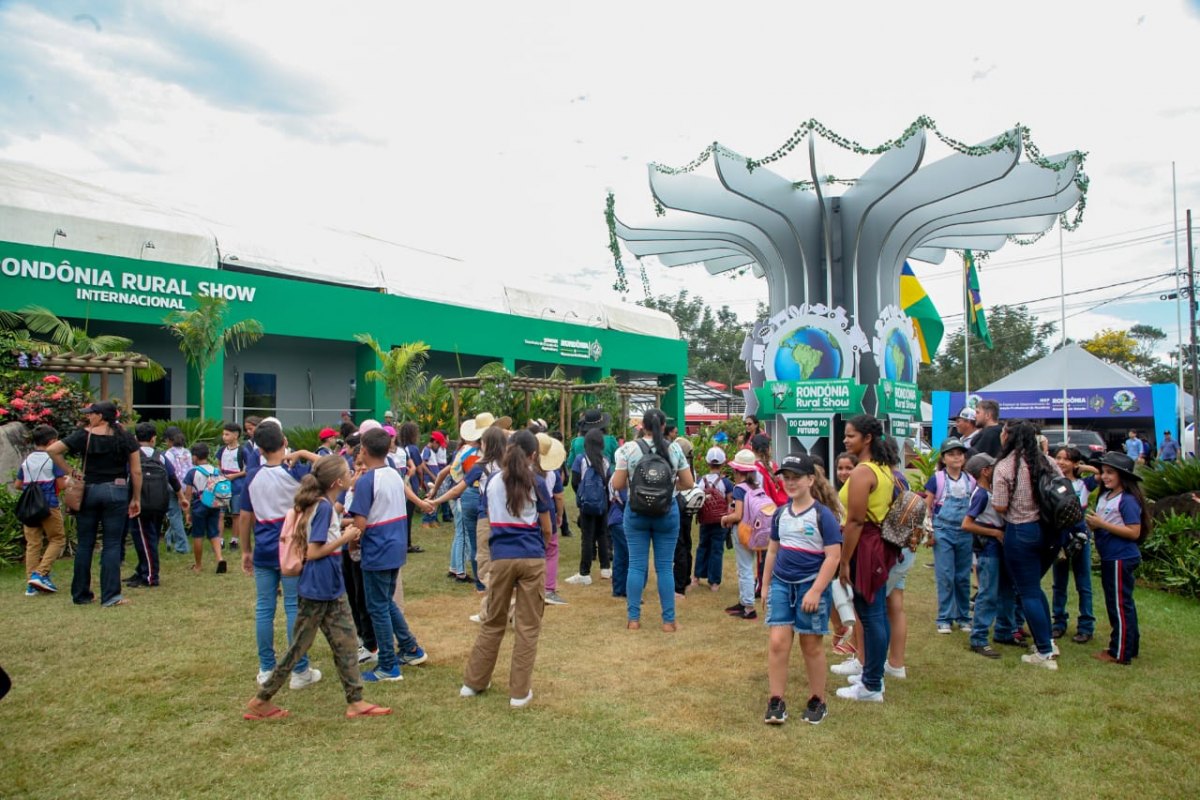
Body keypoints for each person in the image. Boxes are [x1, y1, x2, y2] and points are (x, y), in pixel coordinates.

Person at [244, 455, 393, 721]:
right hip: (318, 587)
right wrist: (346, 537)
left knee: (347, 642)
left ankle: (356, 701)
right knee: (299, 647)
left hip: (330, 586)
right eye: (347, 472)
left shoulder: (323, 504)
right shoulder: (323, 507)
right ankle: (261, 700)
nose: (351, 474)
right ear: (337, 482)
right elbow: (313, 552)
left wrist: (344, 528)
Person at [461, 430, 554, 708]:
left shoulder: (492, 481)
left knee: (493, 620)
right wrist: (539, 548)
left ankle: (474, 683)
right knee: (527, 626)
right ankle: (519, 693)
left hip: (501, 557)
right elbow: (547, 528)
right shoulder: (537, 482)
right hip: (531, 557)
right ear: (533, 455)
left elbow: (490, 518)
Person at [237, 422, 322, 687]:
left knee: (265, 607)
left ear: (259, 449)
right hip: (293, 547)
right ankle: (300, 669)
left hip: (264, 548)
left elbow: (245, 517)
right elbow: (328, 465)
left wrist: (246, 550)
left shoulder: (252, 476)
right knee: (293, 607)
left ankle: (266, 668)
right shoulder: (296, 472)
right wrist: (303, 453)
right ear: (284, 442)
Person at [761, 454, 842, 725]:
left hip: (810, 585)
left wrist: (816, 590)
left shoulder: (823, 515)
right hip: (782, 584)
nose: (791, 482)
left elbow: (833, 557)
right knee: (777, 642)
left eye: (796, 477)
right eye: (786, 478)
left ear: (810, 480)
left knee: (811, 644)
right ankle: (776, 701)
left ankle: (818, 700)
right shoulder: (781, 513)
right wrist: (766, 585)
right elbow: (773, 551)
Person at [349, 427, 434, 682]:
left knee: (377, 607)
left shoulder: (366, 481)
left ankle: (387, 665)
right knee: (386, 602)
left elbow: (359, 524)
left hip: (377, 549)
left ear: (364, 450)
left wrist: (352, 546)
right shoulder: (395, 474)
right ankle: (410, 648)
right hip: (395, 545)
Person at [47, 401, 142, 608]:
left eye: (91, 414)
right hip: (116, 490)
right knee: (112, 544)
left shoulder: (84, 435)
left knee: (85, 543)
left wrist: (71, 471)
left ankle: (81, 594)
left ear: (101, 416)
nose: (88, 417)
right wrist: (136, 497)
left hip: (88, 491)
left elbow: (53, 450)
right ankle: (111, 596)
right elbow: (136, 471)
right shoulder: (125, 437)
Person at [833, 414, 899, 702]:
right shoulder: (884, 469)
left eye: (851, 436)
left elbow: (856, 521)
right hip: (877, 543)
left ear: (867, 438)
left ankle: (872, 684)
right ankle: (872, 675)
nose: (846, 440)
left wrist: (845, 561)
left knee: (871, 616)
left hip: (866, 544)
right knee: (876, 614)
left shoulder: (863, 472)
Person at [610, 408, 695, 632]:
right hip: (667, 512)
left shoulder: (628, 449)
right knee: (665, 568)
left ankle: (633, 619)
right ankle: (668, 621)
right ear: (664, 426)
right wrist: (669, 490)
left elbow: (617, 484)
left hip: (636, 513)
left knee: (636, 566)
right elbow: (688, 482)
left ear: (642, 426)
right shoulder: (674, 449)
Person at [991, 420, 1063, 671]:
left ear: (1008, 437)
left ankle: (1044, 651)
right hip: (1050, 531)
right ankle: (1048, 641)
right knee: (1035, 588)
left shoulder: (1006, 466)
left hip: (1021, 530)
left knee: (1028, 591)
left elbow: (1000, 505)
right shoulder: (1048, 462)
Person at [1085, 452, 1151, 665]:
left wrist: (1102, 524)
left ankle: (1119, 652)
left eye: (1110, 473)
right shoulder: (1106, 496)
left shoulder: (1127, 500)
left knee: (1119, 606)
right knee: (1121, 603)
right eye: (1103, 472)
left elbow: (1133, 532)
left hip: (1120, 557)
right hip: (1110, 557)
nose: (1104, 476)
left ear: (1123, 476)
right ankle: (1130, 646)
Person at [961, 453, 1015, 659]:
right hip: (988, 549)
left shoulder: (990, 491)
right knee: (988, 593)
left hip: (998, 548)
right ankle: (979, 638)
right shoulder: (981, 495)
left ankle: (1004, 631)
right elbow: (967, 524)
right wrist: (995, 532)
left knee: (1005, 591)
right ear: (985, 471)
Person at [925, 438, 976, 634]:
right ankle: (944, 618)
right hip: (943, 531)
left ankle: (963, 617)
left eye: (959, 454)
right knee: (945, 575)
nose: (956, 458)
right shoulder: (937, 479)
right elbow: (927, 508)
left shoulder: (970, 480)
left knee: (962, 577)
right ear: (943, 458)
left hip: (965, 532)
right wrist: (929, 532)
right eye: (951, 454)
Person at [125, 422, 184, 588]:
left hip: (140, 502)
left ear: (135, 438)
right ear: (153, 439)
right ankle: (142, 570)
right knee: (151, 538)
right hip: (159, 504)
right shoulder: (161, 456)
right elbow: (173, 478)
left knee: (144, 540)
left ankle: (150, 575)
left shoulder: (132, 455)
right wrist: (181, 497)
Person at [1051, 447, 1097, 644]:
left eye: (1067, 459)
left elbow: (1099, 474)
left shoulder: (1083, 484)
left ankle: (1086, 626)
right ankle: (1058, 622)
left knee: (1083, 583)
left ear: (1075, 463)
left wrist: (1083, 468)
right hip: (1059, 537)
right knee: (1059, 583)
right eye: (1058, 458)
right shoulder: (1053, 483)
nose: (1061, 462)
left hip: (1080, 538)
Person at [15, 424, 67, 596]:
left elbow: (18, 484)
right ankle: (40, 573)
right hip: (48, 504)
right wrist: (70, 481)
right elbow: (61, 484)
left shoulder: (27, 460)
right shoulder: (52, 459)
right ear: (52, 442)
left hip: (30, 506)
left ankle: (31, 583)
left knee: (33, 543)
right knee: (57, 539)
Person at [566, 427, 611, 587]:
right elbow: (609, 482)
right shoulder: (605, 461)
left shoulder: (581, 459)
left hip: (587, 504)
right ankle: (606, 568)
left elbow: (575, 481)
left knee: (587, 537)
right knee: (602, 534)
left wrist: (582, 496)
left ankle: (584, 573)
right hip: (602, 503)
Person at [722, 449, 762, 620]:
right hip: (756, 530)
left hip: (743, 531)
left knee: (744, 568)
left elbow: (738, 515)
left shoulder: (740, 489)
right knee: (748, 566)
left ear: (738, 471)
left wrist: (725, 518)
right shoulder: (756, 486)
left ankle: (748, 606)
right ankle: (744, 601)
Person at [183, 443, 228, 574]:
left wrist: (187, 513)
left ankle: (198, 565)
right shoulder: (216, 470)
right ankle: (220, 558)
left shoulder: (192, 472)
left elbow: (188, 494)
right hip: (214, 503)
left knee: (198, 535)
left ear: (195, 457)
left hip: (200, 504)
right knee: (214, 533)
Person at [692, 447, 732, 592]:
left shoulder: (701, 481)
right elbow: (730, 502)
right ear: (723, 463)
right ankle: (714, 581)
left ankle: (696, 577)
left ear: (707, 463)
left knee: (702, 546)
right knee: (717, 550)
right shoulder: (726, 483)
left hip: (705, 520)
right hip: (720, 521)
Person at [534, 433, 567, 605]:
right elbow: (559, 496)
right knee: (551, 550)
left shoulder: (524, 470)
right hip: (548, 513)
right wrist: (560, 515)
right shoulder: (552, 472)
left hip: (529, 516)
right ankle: (548, 588)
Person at [162, 427, 192, 554]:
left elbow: (169, 473)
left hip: (173, 487)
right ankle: (170, 537)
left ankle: (182, 546)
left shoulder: (168, 454)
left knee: (174, 515)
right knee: (177, 515)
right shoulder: (187, 452)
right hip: (186, 486)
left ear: (169, 440)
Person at [218, 422, 248, 549]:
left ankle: (234, 540)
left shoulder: (243, 451)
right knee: (220, 514)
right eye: (223, 434)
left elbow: (248, 470)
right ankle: (220, 540)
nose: (224, 437)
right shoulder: (222, 450)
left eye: (227, 434)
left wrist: (234, 476)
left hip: (237, 486)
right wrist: (220, 473)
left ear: (235, 435)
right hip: (222, 485)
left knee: (236, 514)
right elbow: (219, 464)